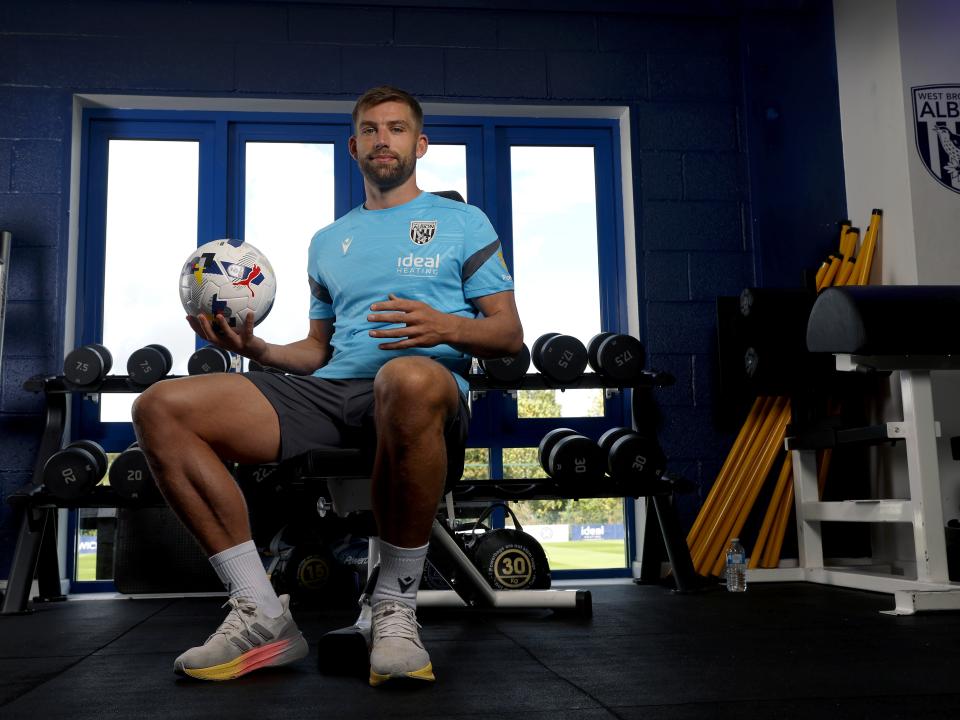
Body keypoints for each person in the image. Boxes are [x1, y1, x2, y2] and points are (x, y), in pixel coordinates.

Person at [131, 85, 523, 686]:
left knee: (404, 376)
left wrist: (442, 326)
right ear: (353, 146)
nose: (382, 139)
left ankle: (394, 607)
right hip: (333, 392)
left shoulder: (462, 222)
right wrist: (256, 349)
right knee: (161, 406)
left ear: (420, 144)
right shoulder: (327, 241)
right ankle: (260, 612)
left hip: (424, 388)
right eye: (370, 129)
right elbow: (317, 351)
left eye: (396, 129)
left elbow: (509, 334)